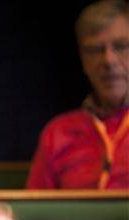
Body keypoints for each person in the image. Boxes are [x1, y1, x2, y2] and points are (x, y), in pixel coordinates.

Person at [27, 1, 129, 189]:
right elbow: (36, 215)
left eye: (121, 46)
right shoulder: (57, 133)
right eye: (95, 50)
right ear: (83, 60)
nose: (109, 60)